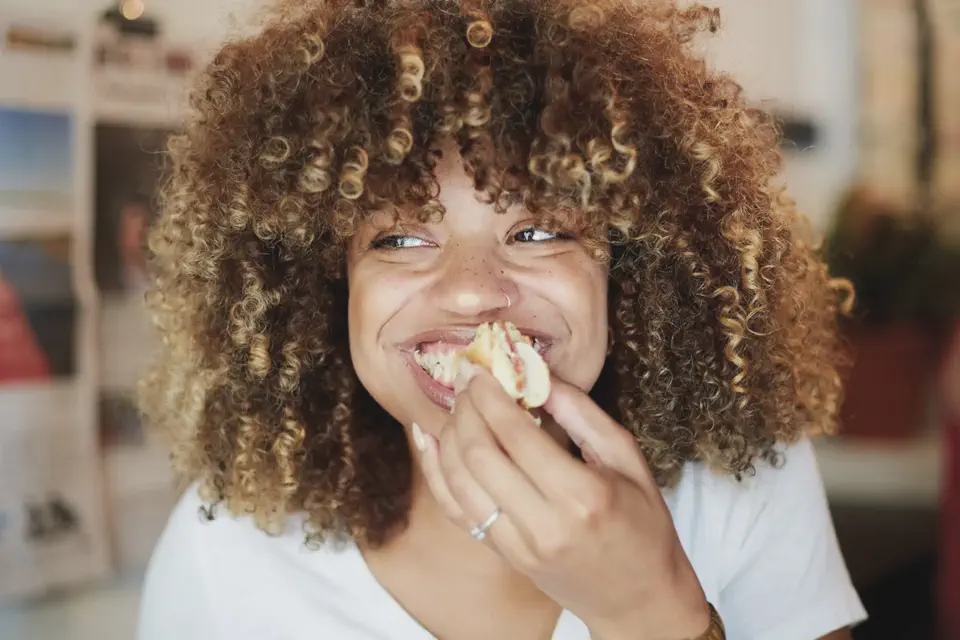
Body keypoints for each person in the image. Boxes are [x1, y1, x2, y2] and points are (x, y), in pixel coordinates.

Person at [137, 1, 867, 638]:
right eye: (400, 238)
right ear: (328, 289)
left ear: (631, 270)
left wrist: (648, 612)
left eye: (540, 230)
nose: (471, 293)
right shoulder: (226, 552)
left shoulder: (739, 484)